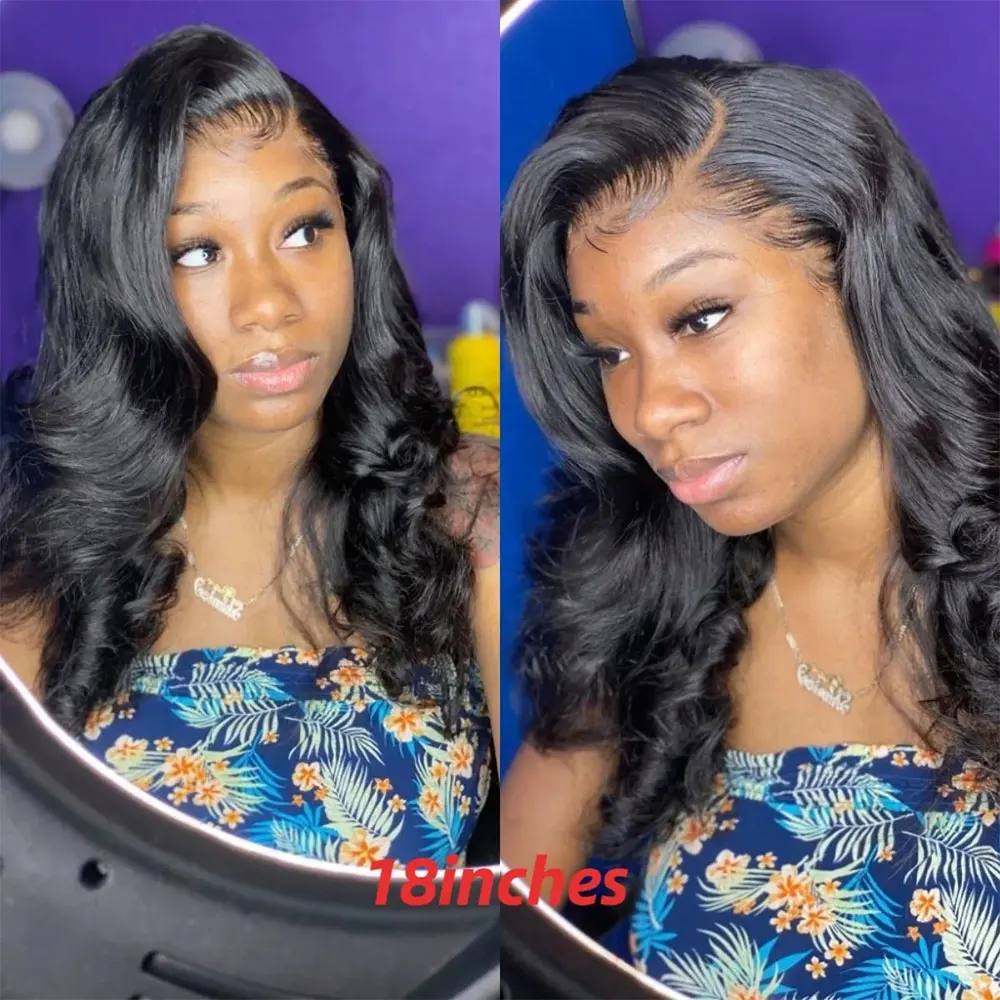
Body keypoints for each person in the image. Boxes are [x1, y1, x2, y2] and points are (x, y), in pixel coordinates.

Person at [500, 57, 998, 998]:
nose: (649, 410)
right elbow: (491, 925)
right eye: (609, 353)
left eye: (700, 317)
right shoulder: (654, 603)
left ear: (861, 270)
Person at [0, 26, 499, 870]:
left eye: (303, 230)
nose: (268, 302)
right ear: (121, 283)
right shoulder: (37, 551)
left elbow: (555, 888)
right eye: (197, 252)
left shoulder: (468, 513)